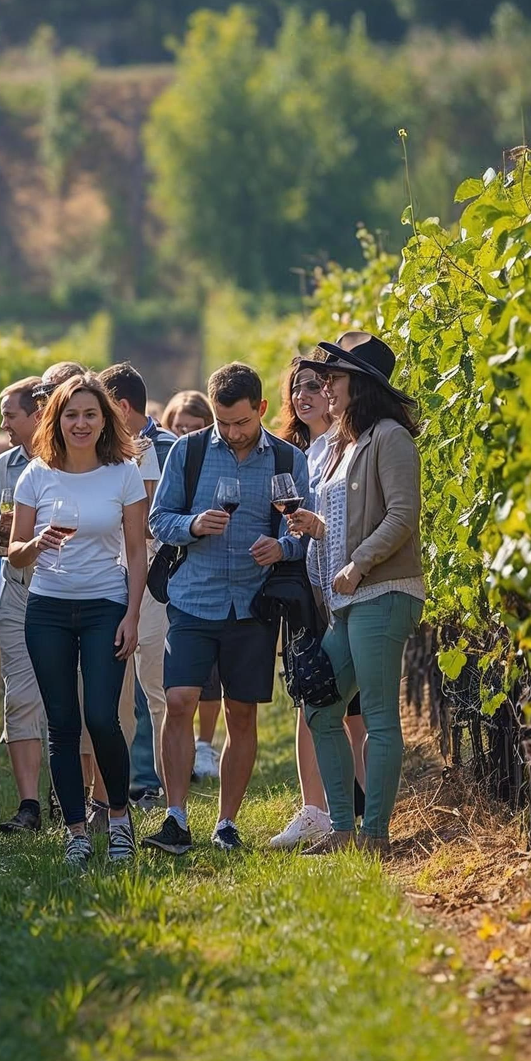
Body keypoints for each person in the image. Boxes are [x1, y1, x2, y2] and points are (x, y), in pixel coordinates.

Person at [146, 364, 309, 854]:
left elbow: (301, 529)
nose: (233, 433)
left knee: (241, 713)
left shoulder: (287, 459)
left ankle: (226, 823)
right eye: (224, 424)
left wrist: (281, 548)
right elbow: (160, 519)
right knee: (179, 701)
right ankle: (175, 815)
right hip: (194, 598)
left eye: (241, 423)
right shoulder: (188, 451)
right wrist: (194, 525)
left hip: (253, 605)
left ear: (261, 410)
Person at [285, 336, 425, 856]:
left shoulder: (390, 438)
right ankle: (342, 828)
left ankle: (375, 837)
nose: (325, 386)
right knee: (322, 709)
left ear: (360, 385)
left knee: (380, 718)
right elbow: (351, 521)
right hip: (348, 601)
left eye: (334, 379)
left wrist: (358, 562)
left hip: (384, 593)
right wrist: (319, 529)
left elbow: (401, 516)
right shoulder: (344, 444)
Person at [8, 375, 148, 869]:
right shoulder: (36, 475)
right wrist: (35, 544)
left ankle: (118, 819)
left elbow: (136, 550)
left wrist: (132, 615)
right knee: (62, 724)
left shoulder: (124, 474)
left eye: (90, 414)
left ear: (105, 419)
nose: (81, 423)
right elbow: (15, 556)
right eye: (72, 415)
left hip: (105, 606)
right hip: (47, 610)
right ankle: (75, 833)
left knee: (102, 719)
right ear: (57, 420)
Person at [268, 355, 368, 849]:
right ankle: (316, 810)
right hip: (307, 596)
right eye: (296, 389)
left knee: (352, 707)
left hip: (346, 589)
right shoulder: (292, 455)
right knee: (313, 697)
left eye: (314, 385)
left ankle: (359, 808)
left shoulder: (347, 449)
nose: (304, 395)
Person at [100, 361, 177, 803]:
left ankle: (159, 786)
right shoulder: (104, 453)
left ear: (121, 406)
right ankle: (126, 783)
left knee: (155, 685)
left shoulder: (163, 450)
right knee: (117, 690)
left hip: (153, 581)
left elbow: (151, 525)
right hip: (111, 578)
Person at [0, 377, 48, 833]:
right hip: (19, 589)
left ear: (36, 415)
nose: (3, 423)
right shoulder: (0, 468)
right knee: (20, 696)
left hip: (71, 588)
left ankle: (74, 799)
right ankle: (30, 805)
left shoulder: (74, 461)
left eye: (9, 414)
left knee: (76, 698)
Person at [161, 390, 223, 780]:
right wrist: (192, 525)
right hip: (182, 581)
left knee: (214, 677)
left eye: (192, 427)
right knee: (180, 686)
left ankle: (205, 745)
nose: (183, 432)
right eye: (178, 426)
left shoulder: (210, 458)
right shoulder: (177, 459)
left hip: (225, 582)